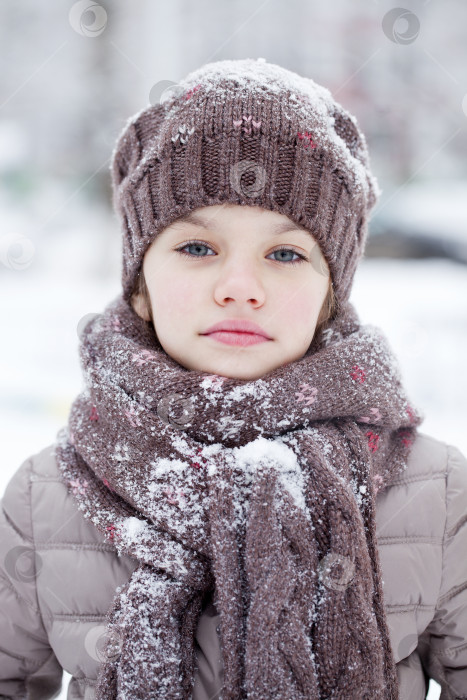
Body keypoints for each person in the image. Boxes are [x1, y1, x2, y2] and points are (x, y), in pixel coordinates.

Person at [0, 57, 466, 700]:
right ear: (140, 286)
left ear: (330, 293)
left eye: (285, 253)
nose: (240, 288)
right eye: (197, 248)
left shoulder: (436, 494)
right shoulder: (44, 499)